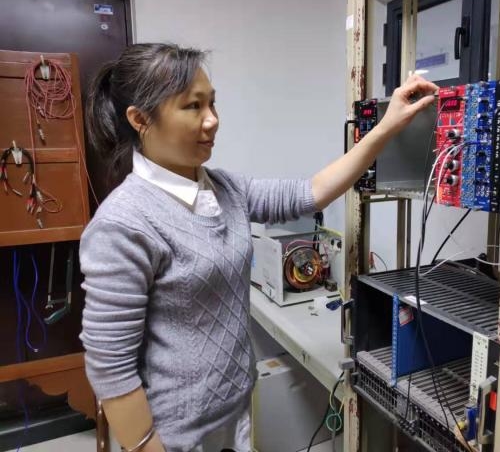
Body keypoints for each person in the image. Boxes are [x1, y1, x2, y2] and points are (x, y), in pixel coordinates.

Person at [80, 43, 437, 452]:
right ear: (141, 119)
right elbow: (110, 367)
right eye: (193, 106)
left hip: (235, 413)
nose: (212, 120)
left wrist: (386, 127)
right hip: (175, 434)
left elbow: (312, 192)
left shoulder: (225, 189)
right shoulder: (123, 224)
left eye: (212, 103)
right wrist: (146, 446)